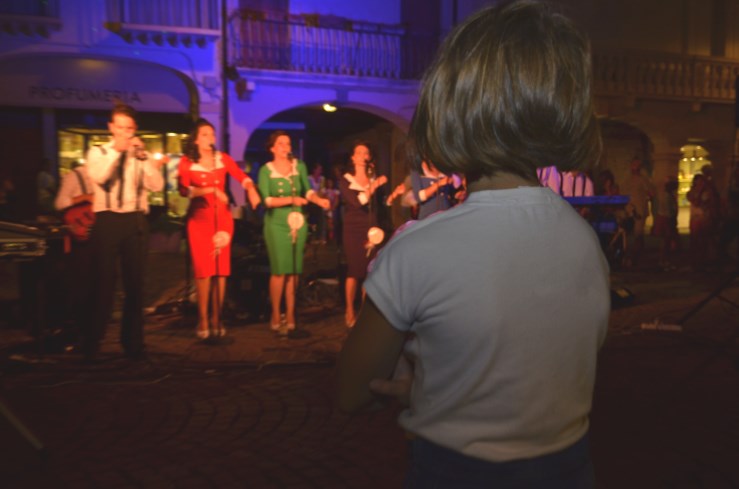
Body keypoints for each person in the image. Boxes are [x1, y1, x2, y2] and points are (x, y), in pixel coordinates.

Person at [337, 2, 609, 488]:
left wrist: (427, 387)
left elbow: (352, 391)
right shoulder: (583, 237)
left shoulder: (417, 249)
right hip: (570, 468)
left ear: (451, 107)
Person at [84, 101, 165, 362]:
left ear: (134, 129)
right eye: (120, 128)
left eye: (129, 129)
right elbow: (101, 178)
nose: (124, 133)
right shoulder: (98, 152)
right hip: (107, 219)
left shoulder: (138, 155)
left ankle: (133, 343)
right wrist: (118, 152)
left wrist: (145, 159)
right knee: (103, 282)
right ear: (111, 128)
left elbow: (157, 185)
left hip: (135, 220)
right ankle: (92, 341)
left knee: (135, 285)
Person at [178, 119, 261, 339]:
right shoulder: (187, 162)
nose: (210, 138)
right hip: (199, 220)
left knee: (220, 271)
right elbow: (183, 190)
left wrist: (251, 188)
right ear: (196, 139)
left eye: (212, 134)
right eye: (205, 134)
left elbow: (241, 176)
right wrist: (209, 190)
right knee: (203, 272)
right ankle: (203, 319)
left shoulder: (222, 158)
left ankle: (217, 317)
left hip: (222, 220)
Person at [258, 131, 329, 332]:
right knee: (280, 270)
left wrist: (318, 200)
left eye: (288, 143)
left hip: (297, 222)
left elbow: (307, 190)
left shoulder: (299, 166)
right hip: (276, 223)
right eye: (281, 143)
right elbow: (267, 200)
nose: (285, 147)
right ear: (272, 148)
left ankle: (290, 313)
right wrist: (291, 199)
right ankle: (275, 313)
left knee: (294, 270)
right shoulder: (266, 170)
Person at [338, 140, 388, 328]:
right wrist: (373, 186)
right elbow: (357, 202)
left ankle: (365, 313)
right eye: (358, 153)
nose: (362, 156)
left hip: (371, 227)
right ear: (353, 157)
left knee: (370, 270)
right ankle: (349, 309)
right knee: (354, 270)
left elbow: (381, 204)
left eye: (365, 153)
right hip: (353, 228)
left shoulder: (373, 178)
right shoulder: (346, 180)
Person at [54, 162, 95, 344]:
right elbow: (59, 203)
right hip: (80, 237)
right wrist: (83, 198)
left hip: (96, 235)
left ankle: (89, 326)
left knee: (95, 281)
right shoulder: (75, 176)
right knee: (80, 281)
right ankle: (77, 325)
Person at [687, 170, 721, 270]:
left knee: (704, 239)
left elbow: (711, 202)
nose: (701, 183)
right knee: (695, 239)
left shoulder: (708, 192)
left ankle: (704, 260)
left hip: (705, 218)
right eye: (699, 181)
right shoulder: (692, 192)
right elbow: (695, 201)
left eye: (702, 181)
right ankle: (696, 261)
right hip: (696, 218)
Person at [624, 157, 654, 266]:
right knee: (633, 234)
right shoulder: (627, 179)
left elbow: (651, 193)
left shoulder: (642, 179)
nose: (635, 167)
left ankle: (635, 257)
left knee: (638, 233)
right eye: (633, 165)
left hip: (639, 210)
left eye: (637, 165)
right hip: (629, 209)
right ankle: (636, 257)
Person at [652, 176, 679, 271]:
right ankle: (664, 261)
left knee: (665, 241)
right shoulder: (667, 196)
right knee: (666, 241)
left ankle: (663, 261)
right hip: (666, 220)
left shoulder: (664, 195)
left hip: (664, 219)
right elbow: (669, 210)